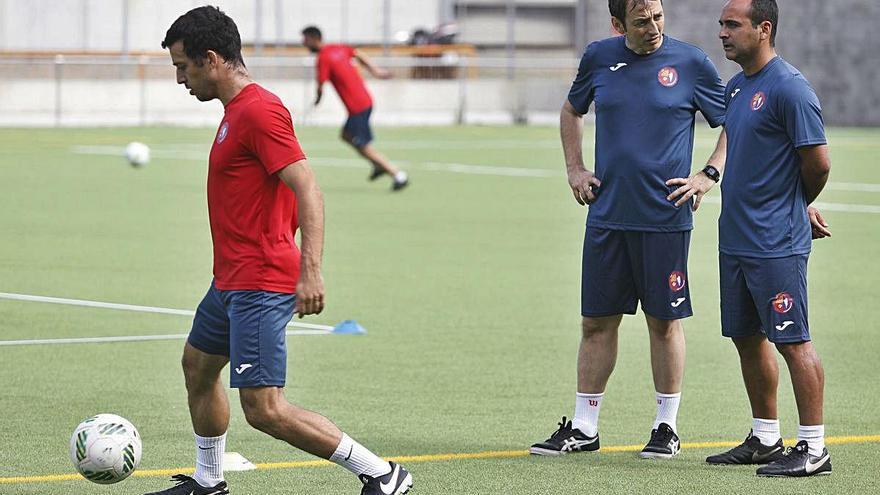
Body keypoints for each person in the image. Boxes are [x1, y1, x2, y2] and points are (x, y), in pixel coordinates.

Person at [146, 7, 413, 495]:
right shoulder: (235, 111)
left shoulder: (259, 110)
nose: (180, 79)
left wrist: (310, 270)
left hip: (261, 280)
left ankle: (381, 472)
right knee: (198, 367)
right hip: (229, 278)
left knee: (264, 408)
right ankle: (208, 481)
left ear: (212, 59)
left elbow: (307, 187)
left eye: (183, 68)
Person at [529, 0, 727, 459]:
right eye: (642, 21)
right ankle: (584, 426)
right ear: (618, 24)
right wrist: (575, 168)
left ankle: (665, 428)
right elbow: (570, 111)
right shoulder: (599, 56)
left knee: (664, 323)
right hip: (608, 216)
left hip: (665, 219)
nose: (653, 27)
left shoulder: (691, 62)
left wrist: (709, 174)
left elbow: (734, 122)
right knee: (596, 322)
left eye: (658, 17)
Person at [671, 0, 832, 477]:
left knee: (793, 340)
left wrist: (794, 203)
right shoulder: (738, 87)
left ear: (764, 29)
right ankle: (765, 436)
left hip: (774, 241)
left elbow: (818, 162)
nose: (721, 33)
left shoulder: (790, 88)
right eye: (721, 24)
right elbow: (737, 143)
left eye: (732, 25)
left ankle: (814, 448)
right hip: (736, 238)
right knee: (747, 337)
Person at [301, 26, 409, 191]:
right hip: (364, 102)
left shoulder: (323, 58)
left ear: (315, 38)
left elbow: (321, 86)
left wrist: (317, 101)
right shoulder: (338, 47)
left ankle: (397, 174)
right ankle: (378, 166)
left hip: (358, 107)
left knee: (362, 145)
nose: (304, 43)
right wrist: (376, 71)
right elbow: (358, 54)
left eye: (306, 40)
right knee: (346, 135)